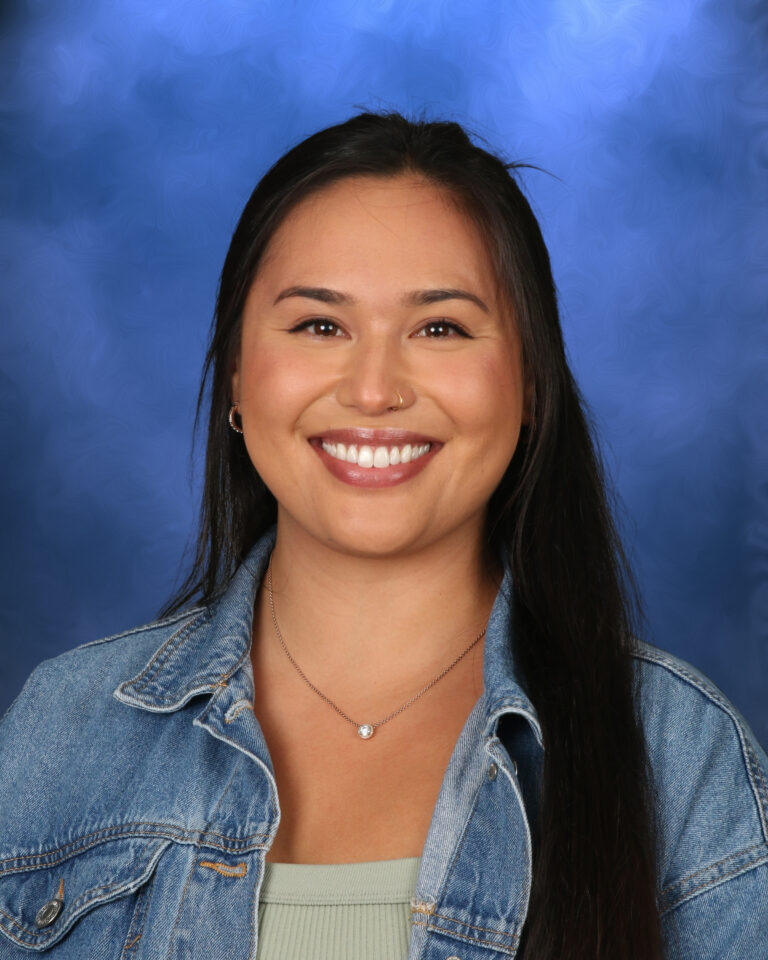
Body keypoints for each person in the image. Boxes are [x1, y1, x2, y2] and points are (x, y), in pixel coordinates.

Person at [0, 112, 766, 960]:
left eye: (439, 328)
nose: (374, 390)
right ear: (237, 381)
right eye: (319, 326)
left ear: (532, 385)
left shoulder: (679, 754)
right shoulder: (58, 732)